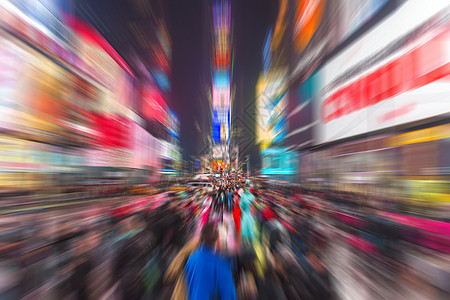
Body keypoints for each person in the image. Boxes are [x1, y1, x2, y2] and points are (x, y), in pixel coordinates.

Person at [184, 222, 237, 300]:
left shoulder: (191, 258)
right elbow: (228, 295)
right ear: (218, 239)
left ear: (201, 238)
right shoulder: (222, 266)